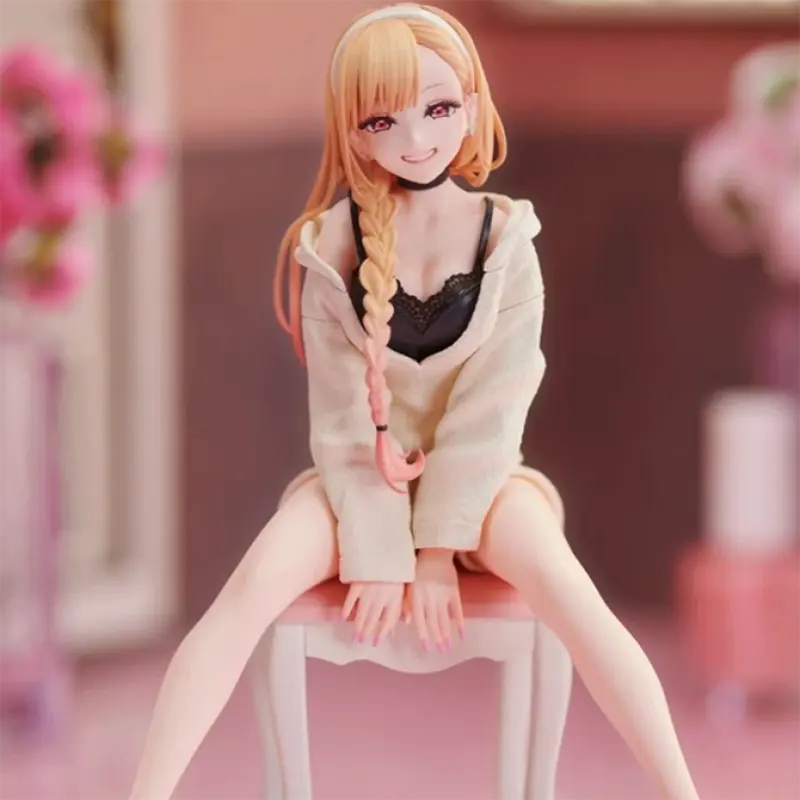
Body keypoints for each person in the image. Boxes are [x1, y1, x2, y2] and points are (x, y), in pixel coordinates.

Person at [127, 5, 701, 798]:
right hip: (357, 482)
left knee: (569, 590)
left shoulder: (507, 242)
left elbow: (493, 408)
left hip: (485, 484)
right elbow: (340, 420)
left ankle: (682, 792)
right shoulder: (330, 249)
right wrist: (379, 548)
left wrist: (435, 551)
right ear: (354, 132)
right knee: (251, 588)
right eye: (382, 120)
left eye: (438, 108)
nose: (416, 137)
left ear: (472, 104)